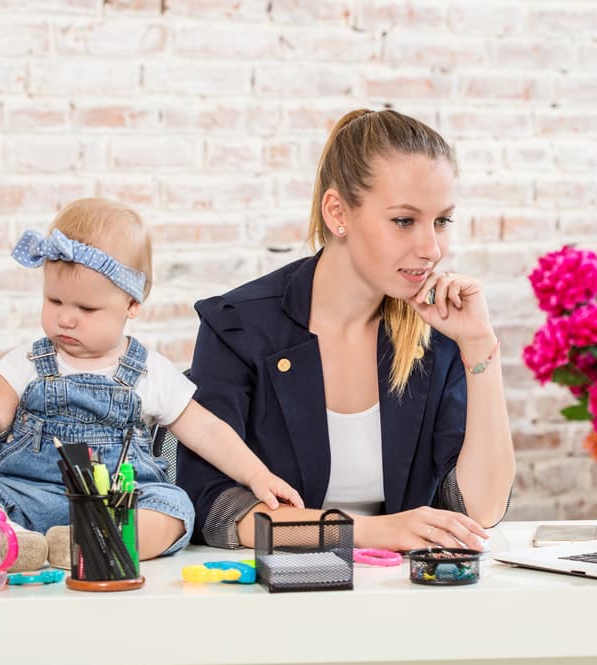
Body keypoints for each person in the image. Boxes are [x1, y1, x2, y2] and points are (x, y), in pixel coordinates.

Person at [179, 109, 515, 552]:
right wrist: (373, 532)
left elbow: (480, 509)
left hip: (399, 595)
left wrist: (478, 346)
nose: (431, 248)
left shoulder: (440, 333)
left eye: (442, 221)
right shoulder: (239, 326)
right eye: (403, 221)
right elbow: (218, 510)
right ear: (338, 212)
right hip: (269, 600)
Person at [0, 198, 302, 570]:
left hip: (118, 503)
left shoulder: (149, 372)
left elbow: (205, 430)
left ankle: (89, 541)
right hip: (29, 496)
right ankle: (14, 542)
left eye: (87, 309)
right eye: (54, 300)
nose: (66, 319)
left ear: (131, 305)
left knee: (175, 509)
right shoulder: (29, 360)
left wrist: (257, 474)